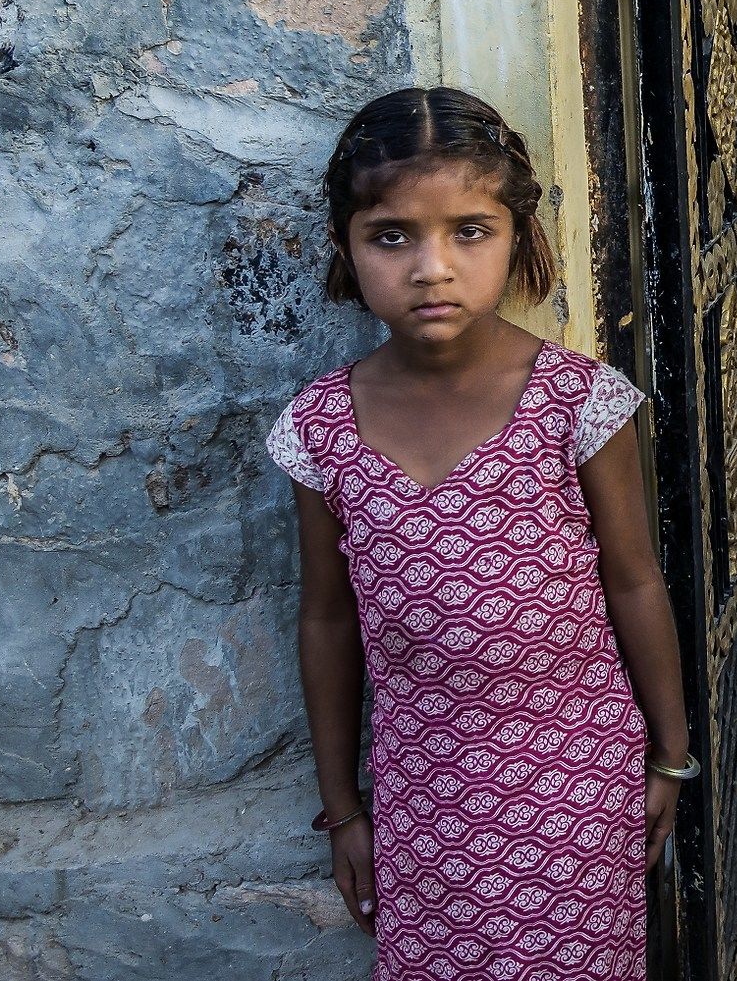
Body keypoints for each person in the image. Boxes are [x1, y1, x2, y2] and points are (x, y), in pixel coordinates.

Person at [266, 86, 692, 979]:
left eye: (470, 230)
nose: (432, 267)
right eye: (392, 236)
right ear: (345, 245)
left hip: (579, 787)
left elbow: (635, 580)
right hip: (426, 809)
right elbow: (327, 620)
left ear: (519, 238)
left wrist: (672, 754)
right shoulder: (320, 428)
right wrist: (345, 810)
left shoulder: (578, 401)